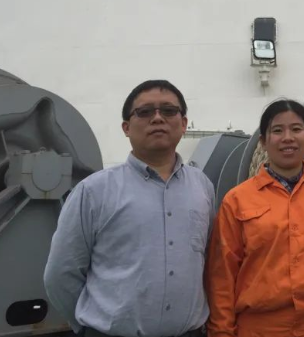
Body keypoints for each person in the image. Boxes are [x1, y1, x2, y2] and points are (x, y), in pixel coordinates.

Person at [44, 80, 215, 337]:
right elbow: (61, 274)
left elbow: (208, 259)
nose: (157, 118)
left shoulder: (202, 186)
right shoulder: (93, 191)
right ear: (126, 127)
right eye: (144, 112)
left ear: (183, 124)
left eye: (168, 111)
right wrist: (90, 327)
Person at [206, 99, 304, 337]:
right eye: (277, 131)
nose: (288, 138)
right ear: (263, 141)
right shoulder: (237, 201)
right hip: (259, 329)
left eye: (296, 129)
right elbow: (222, 277)